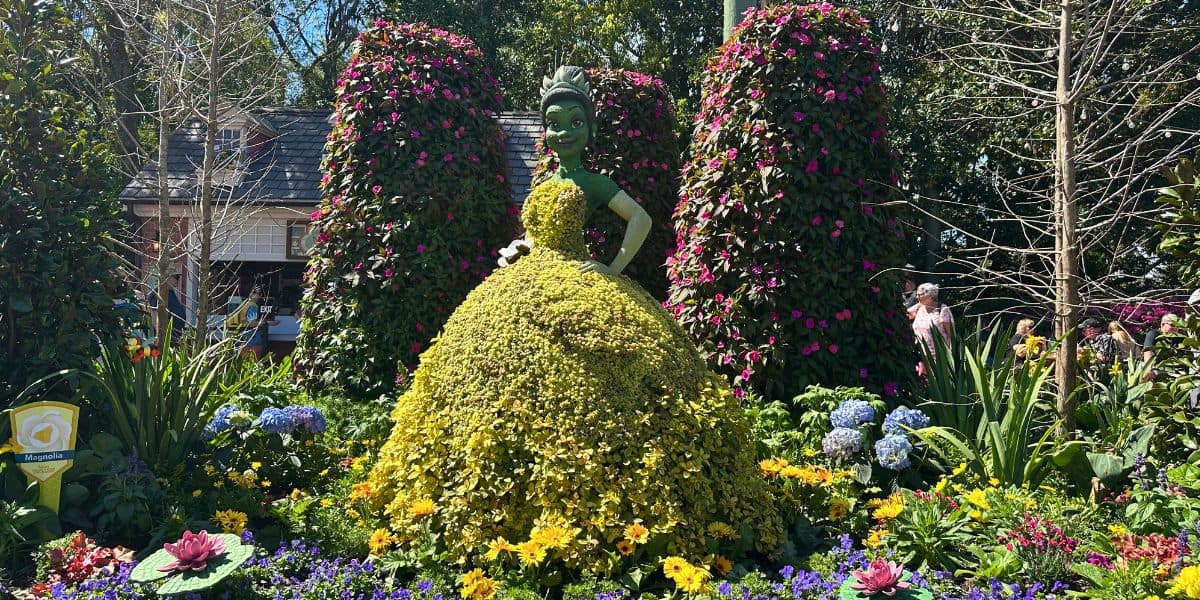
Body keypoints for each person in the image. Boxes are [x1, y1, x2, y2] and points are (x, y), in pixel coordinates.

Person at [367, 66, 773, 551]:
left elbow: (639, 219)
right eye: (554, 123)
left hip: (581, 278)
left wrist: (613, 268)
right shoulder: (542, 184)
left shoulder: (593, 182)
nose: (563, 132)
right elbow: (537, 235)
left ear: (589, 128)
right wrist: (519, 248)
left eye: (574, 122)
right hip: (528, 278)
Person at [225, 287, 277, 358]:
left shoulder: (243, 303)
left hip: (233, 335)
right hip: (246, 337)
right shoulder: (252, 306)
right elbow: (252, 323)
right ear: (252, 294)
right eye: (258, 294)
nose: (260, 296)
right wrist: (268, 322)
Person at [911, 282, 954, 360]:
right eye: (917, 294)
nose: (917, 297)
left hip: (940, 356)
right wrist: (919, 304)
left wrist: (950, 355)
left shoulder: (942, 309)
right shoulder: (919, 309)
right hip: (921, 355)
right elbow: (907, 314)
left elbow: (951, 334)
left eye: (920, 294)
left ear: (930, 295)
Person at [147, 267, 187, 339]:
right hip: (167, 337)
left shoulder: (170, 292)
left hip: (175, 335)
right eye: (176, 277)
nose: (178, 280)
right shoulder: (157, 293)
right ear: (166, 278)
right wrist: (162, 336)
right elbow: (154, 314)